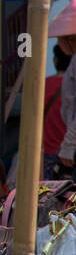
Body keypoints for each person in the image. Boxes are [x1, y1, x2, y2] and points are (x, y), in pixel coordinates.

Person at [44, 42, 71, 179]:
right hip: (69, 152)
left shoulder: (43, 85)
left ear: (55, 60)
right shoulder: (72, 86)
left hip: (47, 151)